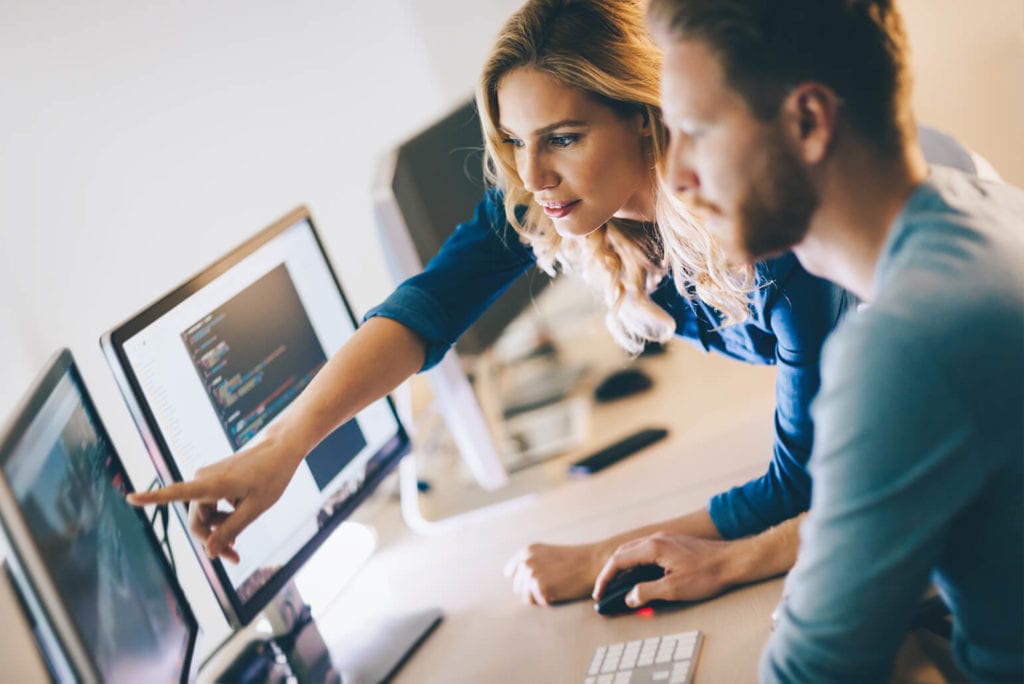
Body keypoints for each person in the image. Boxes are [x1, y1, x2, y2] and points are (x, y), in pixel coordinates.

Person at [605, 0, 1023, 681]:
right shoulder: (980, 208)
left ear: (807, 121)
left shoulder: (907, 342)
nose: (674, 175)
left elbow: (811, 674)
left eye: (695, 131)